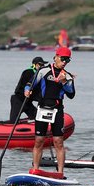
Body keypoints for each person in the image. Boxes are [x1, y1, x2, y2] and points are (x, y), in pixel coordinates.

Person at [26, 47, 76, 175]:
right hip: (42, 108)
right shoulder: (44, 71)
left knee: (58, 142)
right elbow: (30, 83)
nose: (65, 62)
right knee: (39, 140)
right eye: (63, 59)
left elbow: (71, 95)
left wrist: (65, 82)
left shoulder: (67, 75)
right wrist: (27, 89)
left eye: (67, 60)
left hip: (57, 109)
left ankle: (60, 173)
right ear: (56, 57)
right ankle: (35, 169)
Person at [9, 57, 48, 122]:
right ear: (34, 64)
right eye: (40, 64)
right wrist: (39, 98)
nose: (42, 66)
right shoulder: (27, 72)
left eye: (43, 65)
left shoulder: (39, 75)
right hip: (18, 100)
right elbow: (29, 88)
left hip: (27, 102)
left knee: (38, 117)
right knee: (13, 122)